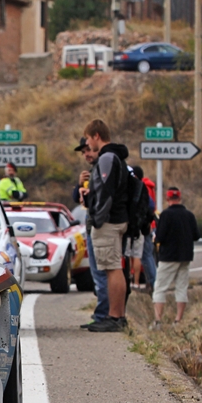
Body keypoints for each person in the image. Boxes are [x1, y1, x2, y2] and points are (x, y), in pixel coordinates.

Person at [82, 119, 131, 333]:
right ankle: (115, 315)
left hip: (109, 222)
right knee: (113, 268)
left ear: (96, 136)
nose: (87, 144)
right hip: (117, 218)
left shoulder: (107, 158)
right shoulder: (116, 157)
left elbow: (105, 192)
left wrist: (98, 218)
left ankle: (114, 316)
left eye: (88, 139)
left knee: (112, 269)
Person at [71, 136, 107, 328]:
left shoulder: (103, 170)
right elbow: (77, 198)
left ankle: (105, 315)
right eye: (84, 152)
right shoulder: (91, 173)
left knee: (102, 272)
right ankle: (101, 313)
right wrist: (80, 185)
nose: (87, 154)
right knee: (97, 272)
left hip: (101, 225)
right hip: (91, 224)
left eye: (89, 150)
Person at [151, 187, 199, 329]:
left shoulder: (165, 215)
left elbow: (160, 237)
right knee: (181, 287)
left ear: (168, 199)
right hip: (185, 256)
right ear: (180, 198)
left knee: (160, 287)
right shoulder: (189, 215)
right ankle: (178, 321)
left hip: (168, 257)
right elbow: (196, 235)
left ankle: (158, 321)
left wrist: (155, 239)